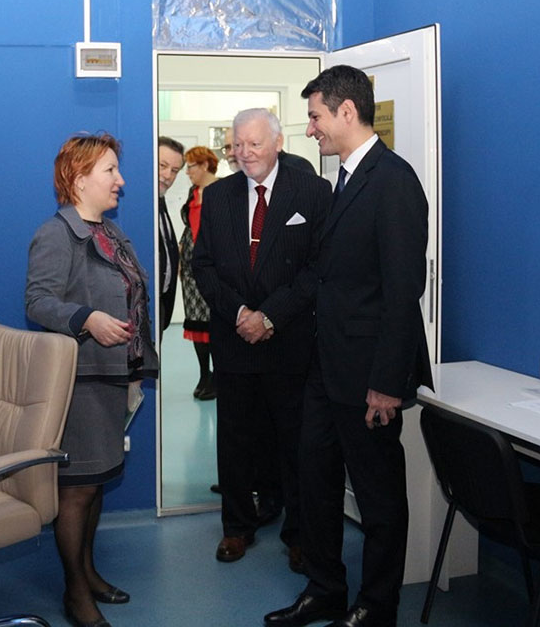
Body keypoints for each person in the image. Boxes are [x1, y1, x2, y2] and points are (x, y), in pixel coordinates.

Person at [264, 66, 431, 627]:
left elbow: (403, 292)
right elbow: (327, 273)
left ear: (347, 112)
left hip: (368, 376)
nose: (310, 128)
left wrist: (386, 384)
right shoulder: (342, 179)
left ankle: (378, 606)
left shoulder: (394, 180)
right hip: (326, 365)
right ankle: (325, 589)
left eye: (315, 116)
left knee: (379, 498)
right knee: (315, 483)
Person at [26, 132, 158, 627]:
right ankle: (76, 593)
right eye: (110, 171)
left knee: (97, 482)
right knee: (77, 489)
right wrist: (87, 319)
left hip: (112, 376)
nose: (120, 180)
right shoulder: (55, 234)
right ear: (79, 180)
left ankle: (89, 573)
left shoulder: (111, 233)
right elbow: (38, 302)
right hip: (80, 382)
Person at [192, 109, 330, 566]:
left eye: (254, 144)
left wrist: (270, 316)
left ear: (277, 144)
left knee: (294, 443)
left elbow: (317, 269)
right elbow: (203, 266)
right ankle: (237, 528)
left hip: (288, 340)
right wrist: (240, 313)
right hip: (233, 340)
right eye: (238, 144)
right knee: (234, 441)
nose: (244, 153)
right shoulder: (217, 196)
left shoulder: (311, 192)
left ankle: (299, 535)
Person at [178, 145, 220, 399]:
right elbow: (189, 226)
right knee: (196, 322)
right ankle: (204, 374)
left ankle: (218, 377)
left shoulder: (223, 190)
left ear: (205, 165)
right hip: (190, 272)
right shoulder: (193, 192)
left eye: (190, 166)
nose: (187, 172)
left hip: (213, 269)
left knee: (214, 324)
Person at [157, 137, 185, 336]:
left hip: (162, 306)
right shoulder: (136, 205)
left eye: (174, 170)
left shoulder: (160, 201)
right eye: (162, 166)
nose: (167, 175)